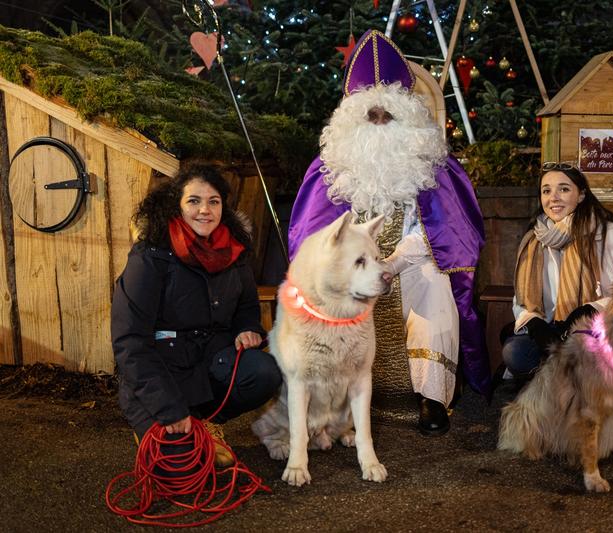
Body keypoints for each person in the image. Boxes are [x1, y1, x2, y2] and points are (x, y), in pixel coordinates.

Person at [288, 30, 491, 436]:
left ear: (408, 120)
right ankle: (336, 402)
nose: (379, 126)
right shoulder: (328, 171)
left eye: (388, 117)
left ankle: (432, 397)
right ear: (352, 120)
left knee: (436, 283)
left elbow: (444, 232)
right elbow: (313, 237)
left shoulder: (434, 167)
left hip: (410, 265)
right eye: (371, 117)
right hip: (348, 274)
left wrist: (394, 263)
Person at [111, 163, 282, 467]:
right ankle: (166, 426)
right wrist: (168, 408)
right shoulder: (150, 254)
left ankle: (203, 421)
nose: (205, 210)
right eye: (194, 201)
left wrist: (247, 327)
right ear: (175, 205)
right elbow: (130, 340)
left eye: (213, 201)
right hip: (162, 373)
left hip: (210, 363)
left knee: (264, 372)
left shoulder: (234, 249)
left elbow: (245, 306)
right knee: (179, 468)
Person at [503, 161, 613, 380]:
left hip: (600, 330)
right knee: (515, 353)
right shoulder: (534, 240)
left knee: (584, 357)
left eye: (564, 189)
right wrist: (533, 322)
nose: (553, 197)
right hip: (552, 329)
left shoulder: (608, 234)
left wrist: (593, 309)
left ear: (581, 195)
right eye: (546, 191)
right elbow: (520, 297)